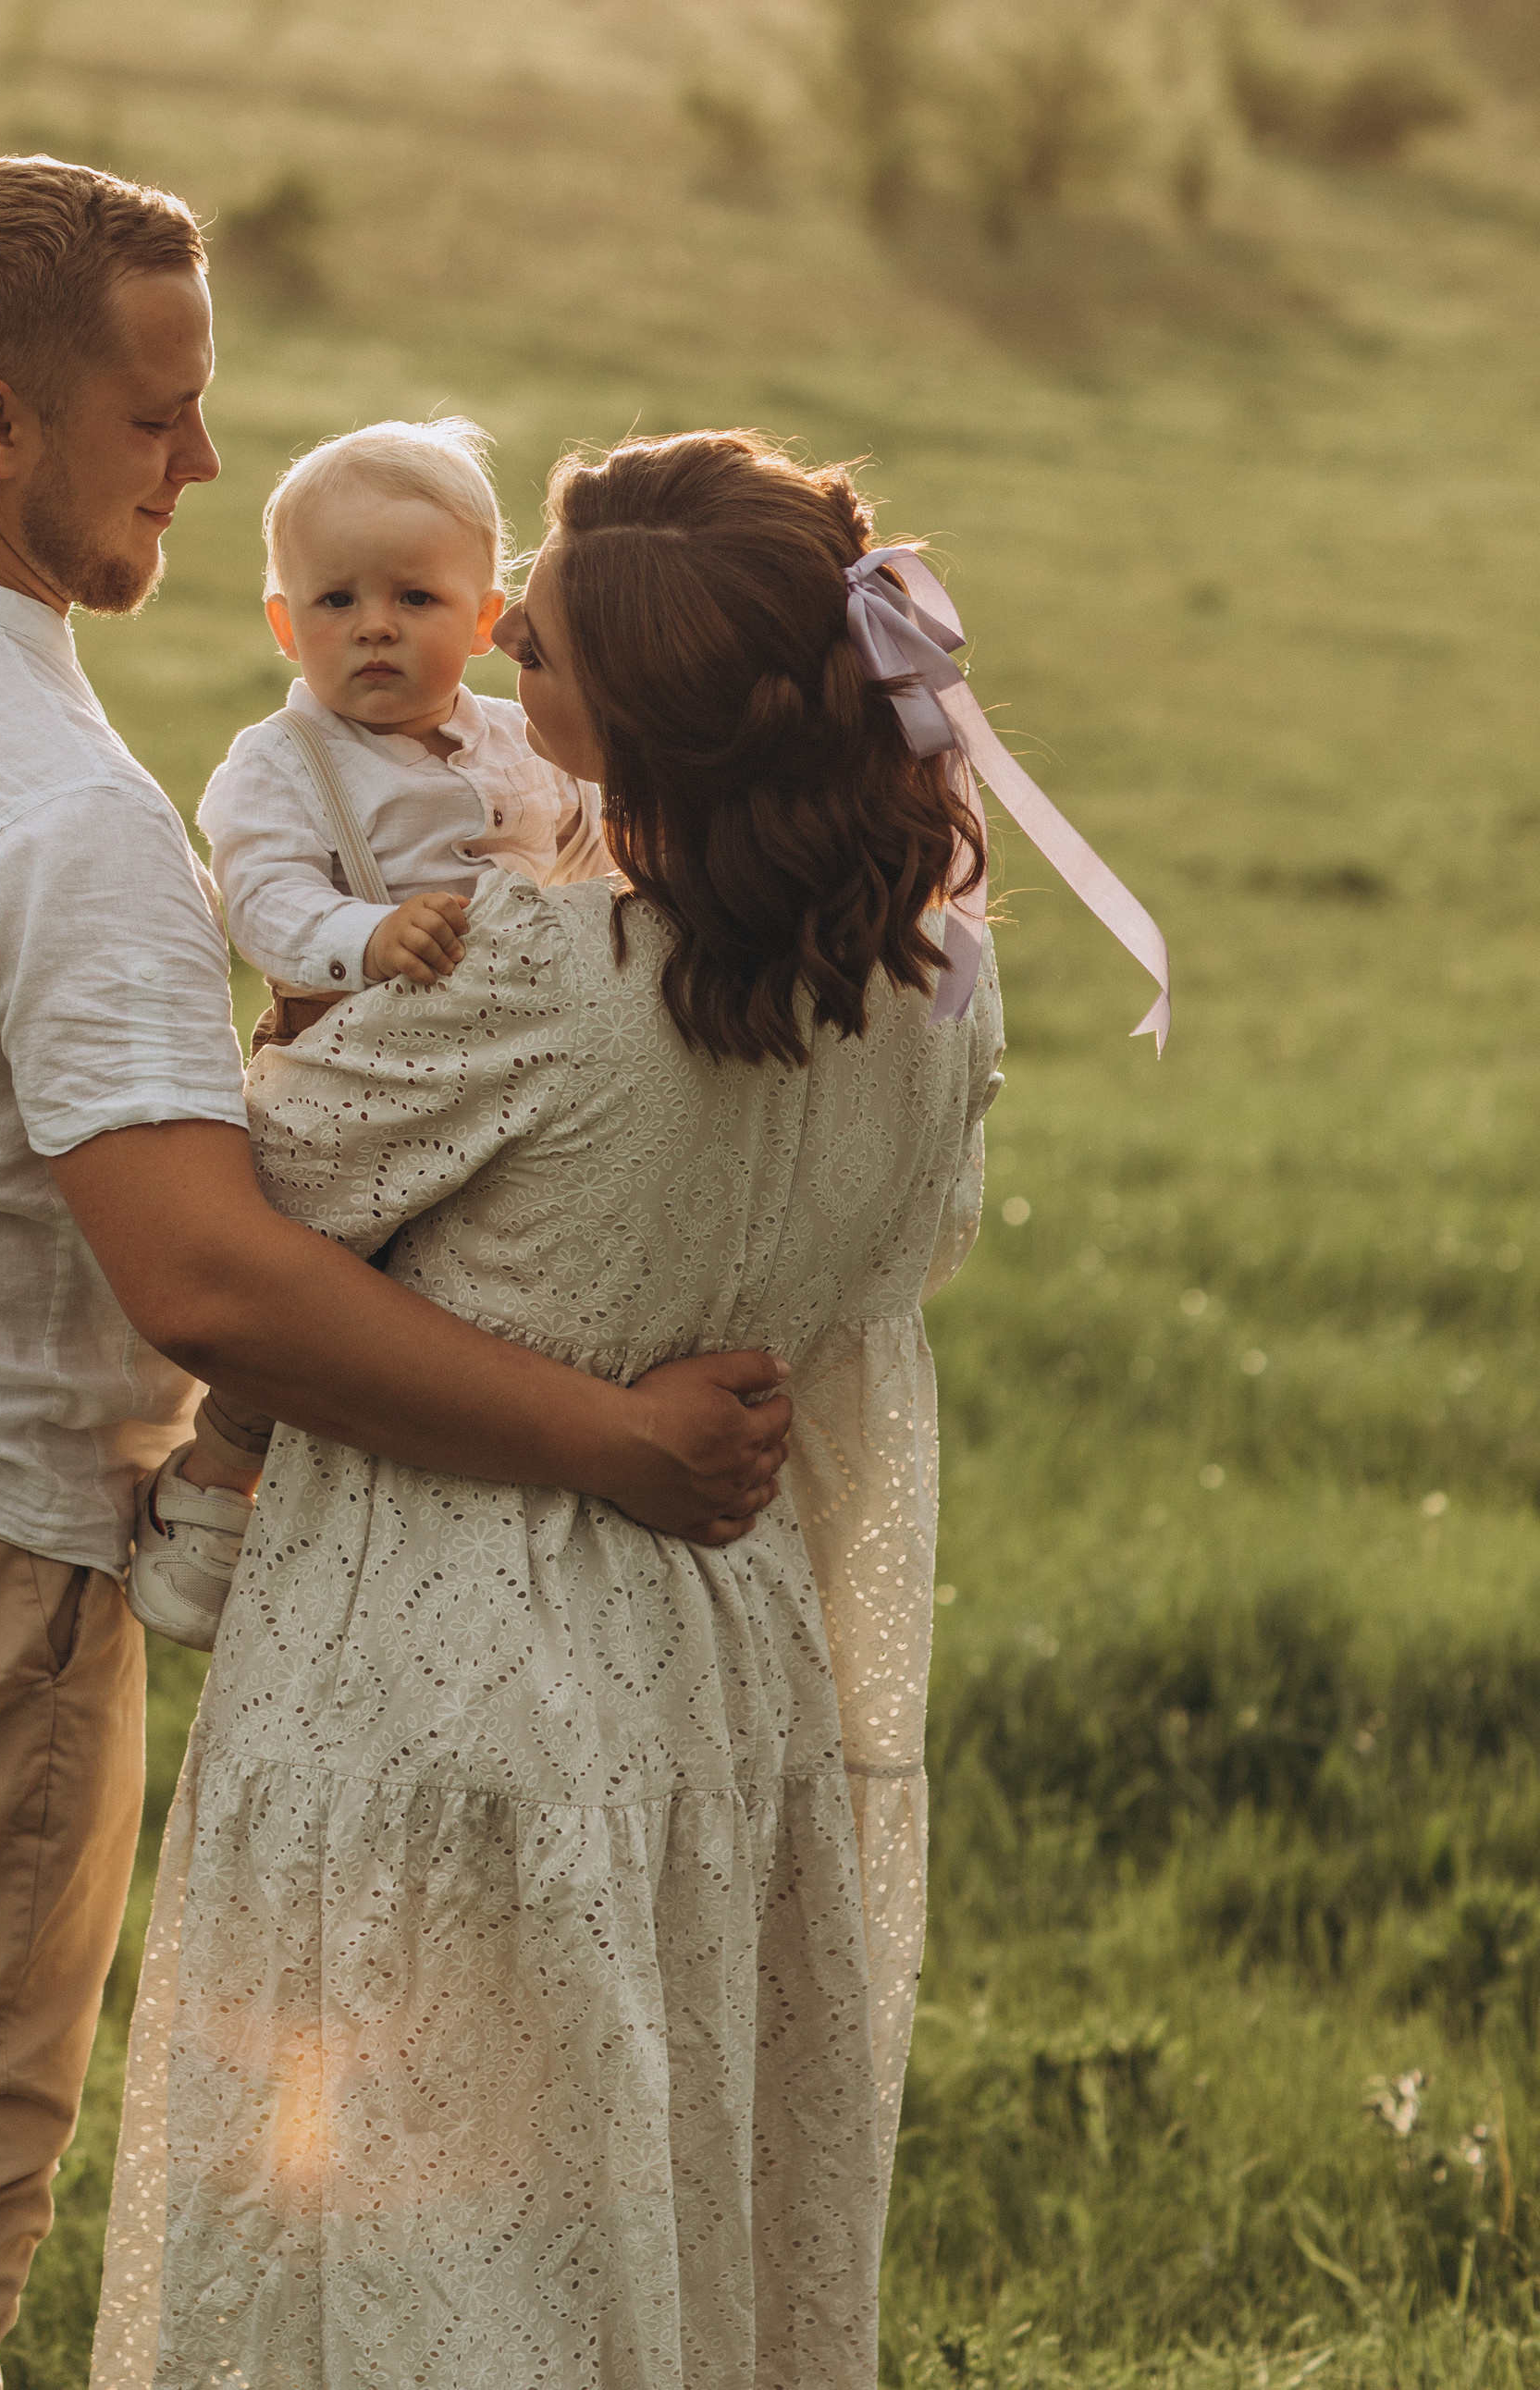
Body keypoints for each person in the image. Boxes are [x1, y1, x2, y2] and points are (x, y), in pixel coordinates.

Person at [0, 158, 795, 2390]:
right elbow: (212, 1287)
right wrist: (611, 1440)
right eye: (156, 418)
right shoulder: (56, 808)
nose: (204, 462)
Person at [91, 428, 1013, 2390]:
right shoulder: (933, 991)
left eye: (548, 642)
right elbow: (896, 1268)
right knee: (638, 2212)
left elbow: (241, 1217)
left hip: (434, 1665)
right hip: (724, 1662)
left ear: (651, 721)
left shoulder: (540, 973)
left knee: (419, 2261)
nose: (497, 639)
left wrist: (295, 1022)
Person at [132, 414, 619, 1646]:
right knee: (307, 1275)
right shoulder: (284, 763)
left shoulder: (521, 743)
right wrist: (367, 935)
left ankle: (479, 1486)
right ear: (284, 623)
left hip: (497, 1071)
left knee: (471, 1286)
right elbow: (262, 898)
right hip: (347, 1063)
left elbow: (587, 846)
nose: (375, 628)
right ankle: (217, 1472)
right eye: (336, 601)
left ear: (487, 618)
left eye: (415, 598)